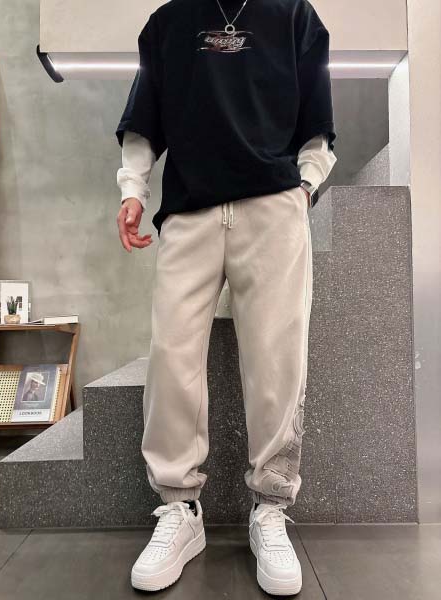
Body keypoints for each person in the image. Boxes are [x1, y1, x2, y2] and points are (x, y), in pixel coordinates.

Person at [115, 0, 337, 594]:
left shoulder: (293, 14)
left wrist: (304, 189)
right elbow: (144, 117)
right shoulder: (169, 22)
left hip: (272, 207)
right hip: (189, 210)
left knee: (277, 358)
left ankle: (271, 508)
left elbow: (318, 120)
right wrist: (133, 189)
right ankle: (180, 508)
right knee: (172, 354)